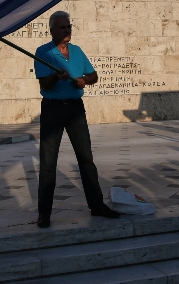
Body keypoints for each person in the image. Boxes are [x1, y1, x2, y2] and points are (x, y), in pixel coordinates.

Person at [33, 11, 120, 228]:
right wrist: (56, 75)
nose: (67, 30)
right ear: (52, 30)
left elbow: (94, 76)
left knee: (86, 159)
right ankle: (44, 213)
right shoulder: (43, 52)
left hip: (75, 108)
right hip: (53, 109)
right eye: (62, 27)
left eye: (69, 26)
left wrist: (83, 80)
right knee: (48, 163)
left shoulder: (77, 51)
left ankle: (97, 205)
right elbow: (44, 84)